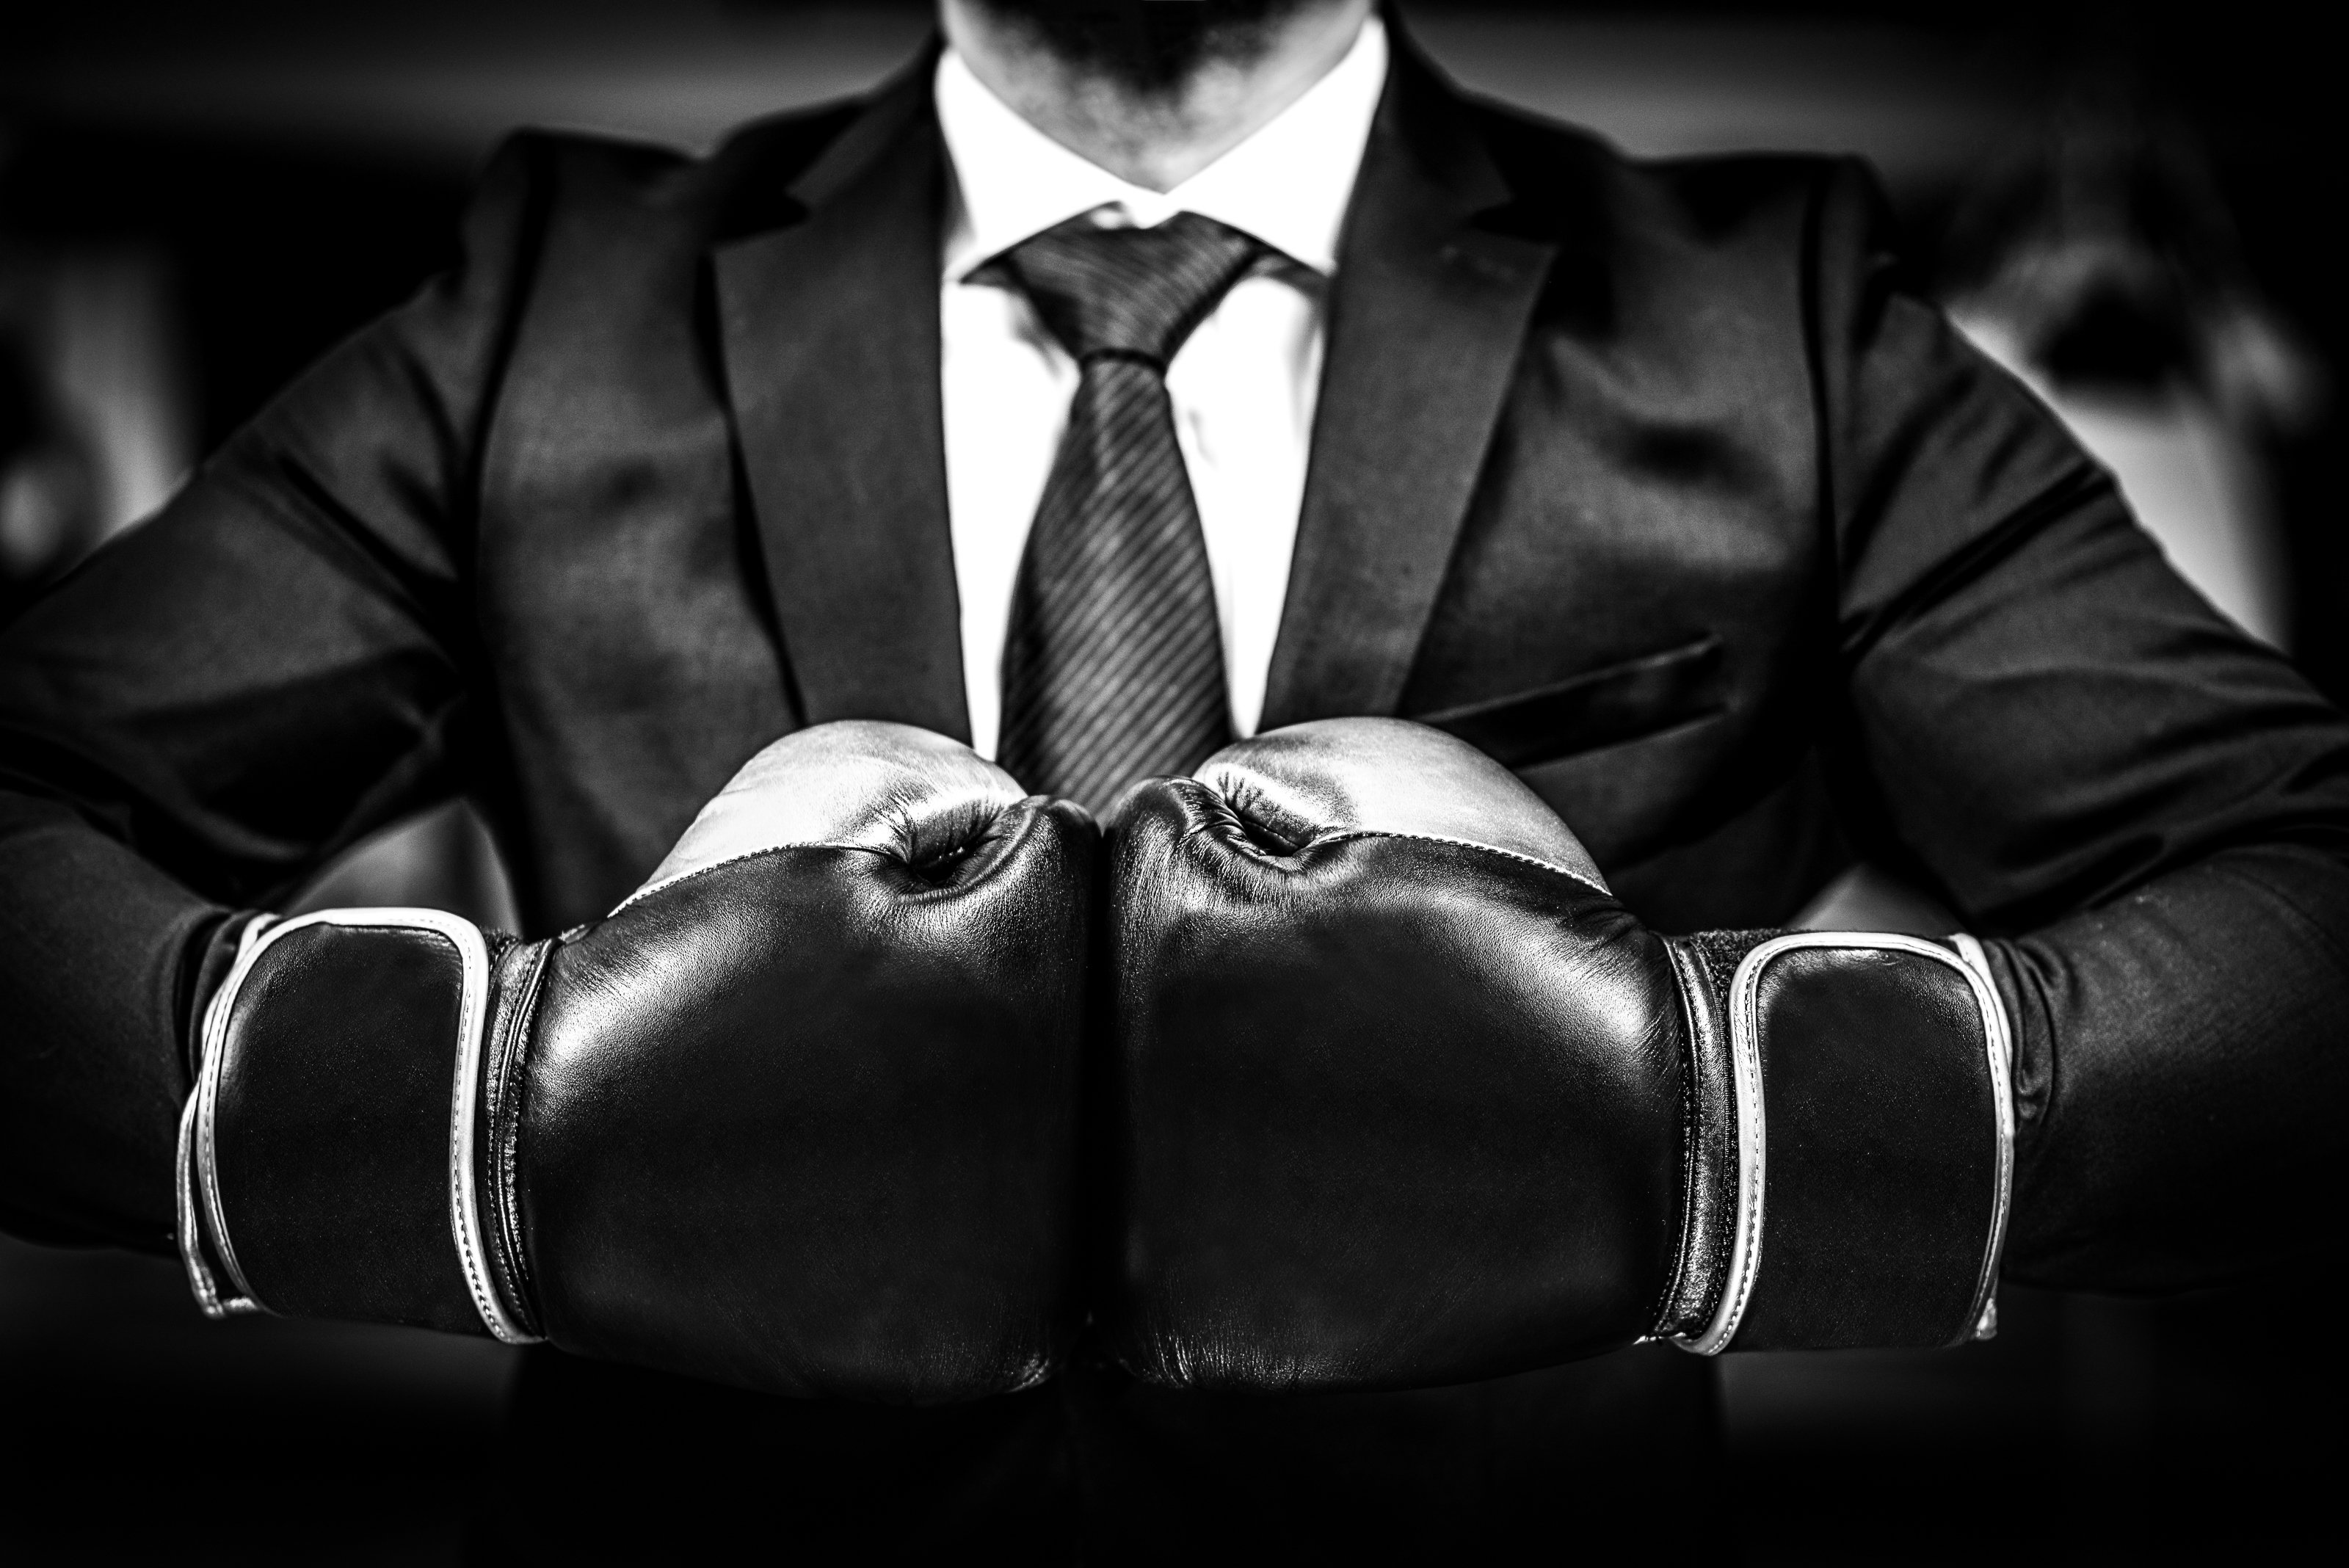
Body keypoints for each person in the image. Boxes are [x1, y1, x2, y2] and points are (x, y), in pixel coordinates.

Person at [1, 1, 2342, 1558]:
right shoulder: (553, 305)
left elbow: (2301, 884)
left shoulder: (1773, 318)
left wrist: (1714, 1131)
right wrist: (471, 1126)